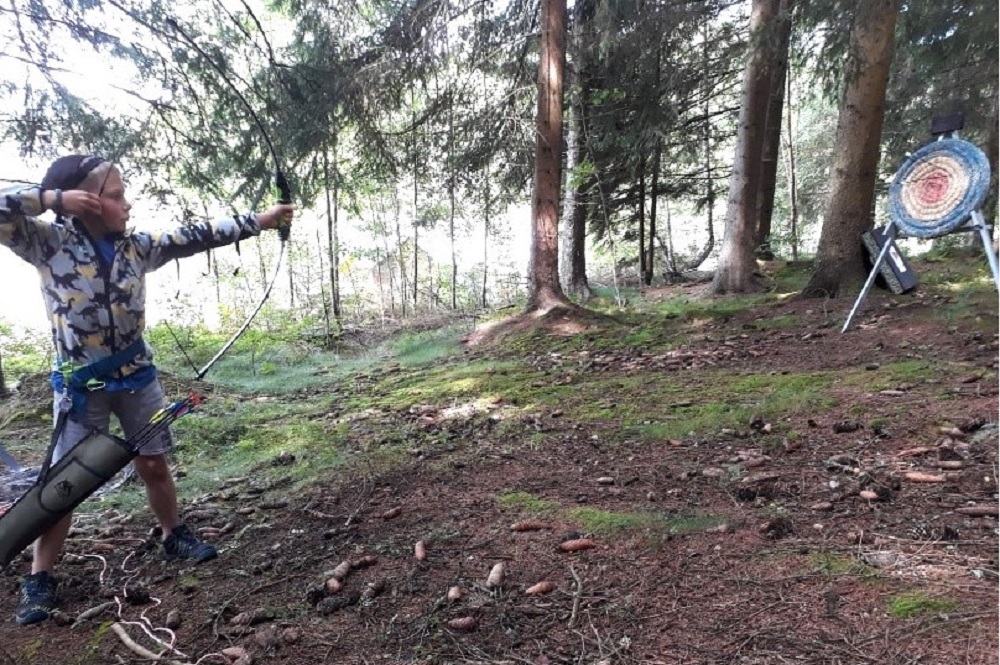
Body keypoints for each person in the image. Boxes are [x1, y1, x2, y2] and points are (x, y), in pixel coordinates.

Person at [0, 154, 294, 625]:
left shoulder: (137, 247)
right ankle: (40, 576)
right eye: (117, 196)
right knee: (63, 486)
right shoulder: (46, 242)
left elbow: (197, 235)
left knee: (154, 464)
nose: (128, 204)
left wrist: (262, 220)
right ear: (86, 201)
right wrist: (52, 199)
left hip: (138, 378)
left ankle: (173, 534)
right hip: (82, 387)